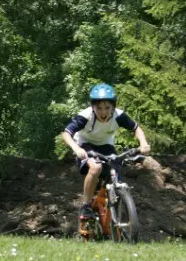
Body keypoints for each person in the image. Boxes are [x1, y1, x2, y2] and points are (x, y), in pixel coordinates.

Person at [60, 83, 150, 220]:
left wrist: (143, 143)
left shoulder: (119, 116)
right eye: (99, 108)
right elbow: (66, 133)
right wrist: (76, 148)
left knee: (115, 177)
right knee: (96, 167)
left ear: (113, 107)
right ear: (92, 107)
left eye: (107, 108)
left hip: (106, 146)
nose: (103, 112)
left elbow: (136, 128)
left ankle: (112, 211)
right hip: (85, 145)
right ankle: (86, 205)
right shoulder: (85, 116)